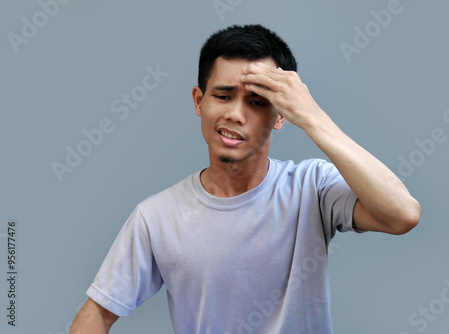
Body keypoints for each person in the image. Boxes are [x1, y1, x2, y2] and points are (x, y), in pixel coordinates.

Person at [70, 24, 421, 334]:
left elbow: (402, 214)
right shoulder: (157, 216)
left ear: (281, 115)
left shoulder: (311, 187)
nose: (236, 114)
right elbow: (96, 315)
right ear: (199, 101)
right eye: (223, 96)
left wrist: (312, 116)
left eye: (257, 101)